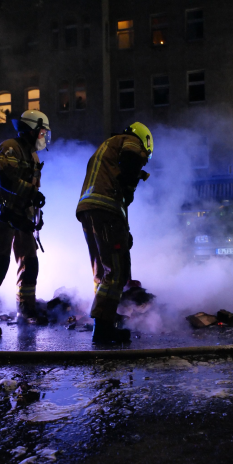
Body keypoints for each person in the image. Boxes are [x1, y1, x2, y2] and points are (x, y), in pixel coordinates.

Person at [0, 110, 51, 336]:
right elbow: (5, 180)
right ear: (31, 131)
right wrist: (31, 194)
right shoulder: (9, 147)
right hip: (2, 215)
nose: (44, 137)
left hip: (21, 218)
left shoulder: (33, 157)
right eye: (42, 132)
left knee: (30, 263)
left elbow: (30, 190)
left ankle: (26, 311)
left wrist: (34, 216)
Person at [76, 122, 152, 344]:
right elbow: (130, 159)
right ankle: (103, 328)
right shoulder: (130, 141)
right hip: (106, 211)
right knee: (118, 269)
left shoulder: (107, 147)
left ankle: (105, 318)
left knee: (102, 269)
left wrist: (124, 230)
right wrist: (130, 183)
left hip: (89, 210)